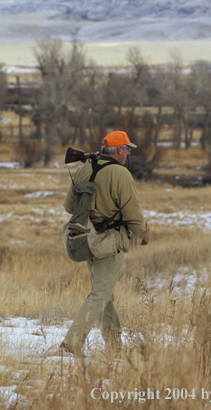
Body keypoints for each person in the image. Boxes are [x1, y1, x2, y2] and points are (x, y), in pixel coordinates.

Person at [61, 130, 150, 356]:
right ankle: (70, 344)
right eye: (127, 148)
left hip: (86, 239)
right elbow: (132, 210)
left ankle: (114, 347)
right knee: (100, 295)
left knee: (105, 294)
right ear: (119, 150)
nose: (129, 153)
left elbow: (69, 206)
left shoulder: (85, 168)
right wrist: (144, 232)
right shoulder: (120, 173)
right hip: (109, 243)